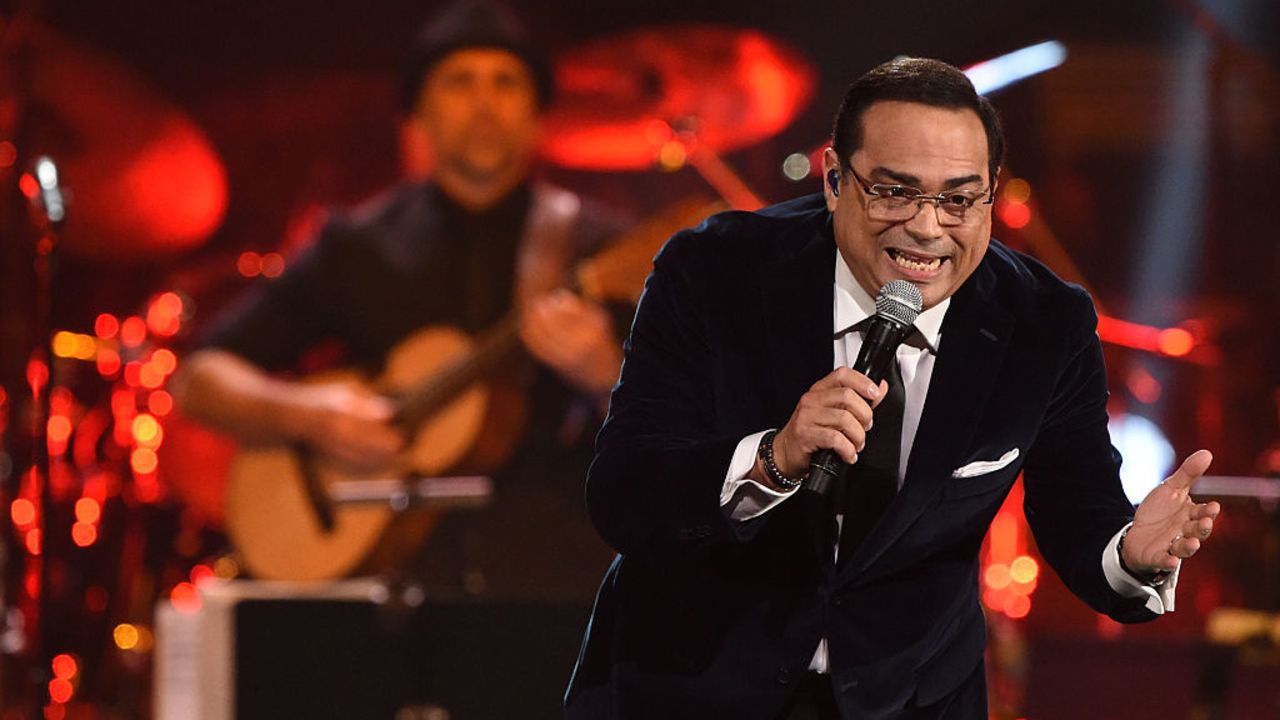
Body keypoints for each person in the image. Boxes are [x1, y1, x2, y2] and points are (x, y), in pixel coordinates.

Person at [565, 57, 1221, 719]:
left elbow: (1079, 509)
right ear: (833, 180)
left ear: (991, 193)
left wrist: (1131, 557)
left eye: (959, 199)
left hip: (909, 700)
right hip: (687, 690)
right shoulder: (713, 272)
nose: (927, 228)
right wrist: (773, 457)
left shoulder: (1044, 322)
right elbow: (624, 494)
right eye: (894, 192)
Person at [173, 0, 623, 600]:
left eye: (506, 82)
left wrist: (608, 374)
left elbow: (698, 432)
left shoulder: (603, 250)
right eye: (460, 82)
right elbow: (200, 378)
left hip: (558, 585)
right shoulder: (355, 245)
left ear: (538, 114)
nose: (485, 102)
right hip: (392, 583)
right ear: (418, 114)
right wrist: (310, 415)